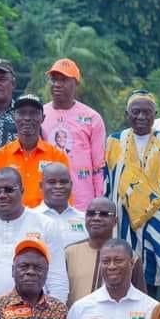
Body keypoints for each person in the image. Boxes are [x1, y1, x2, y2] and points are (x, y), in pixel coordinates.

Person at [0, 167, 69, 301]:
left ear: (22, 191)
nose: (2, 195)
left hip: (35, 315)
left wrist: (53, 315)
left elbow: (57, 279)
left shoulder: (46, 225)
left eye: (9, 190)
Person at [0, 94, 71, 208]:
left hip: (46, 222)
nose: (27, 118)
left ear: (43, 118)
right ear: (13, 117)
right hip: (10, 221)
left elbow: (66, 199)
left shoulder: (58, 157)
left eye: (33, 113)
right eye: (21, 112)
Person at [42, 59, 106, 210]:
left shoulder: (92, 118)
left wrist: (99, 202)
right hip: (46, 203)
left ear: (76, 83)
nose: (57, 84)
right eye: (54, 79)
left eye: (63, 80)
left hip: (82, 203)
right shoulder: (39, 114)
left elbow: (99, 167)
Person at [64, 197, 146, 307]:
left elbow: (141, 299)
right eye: (91, 214)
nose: (96, 218)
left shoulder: (130, 256)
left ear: (115, 221)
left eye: (104, 214)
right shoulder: (69, 253)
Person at [38, 162, 86, 240]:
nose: (58, 186)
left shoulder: (84, 220)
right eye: (52, 182)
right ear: (41, 186)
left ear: (71, 185)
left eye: (63, 182)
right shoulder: (29, 219)